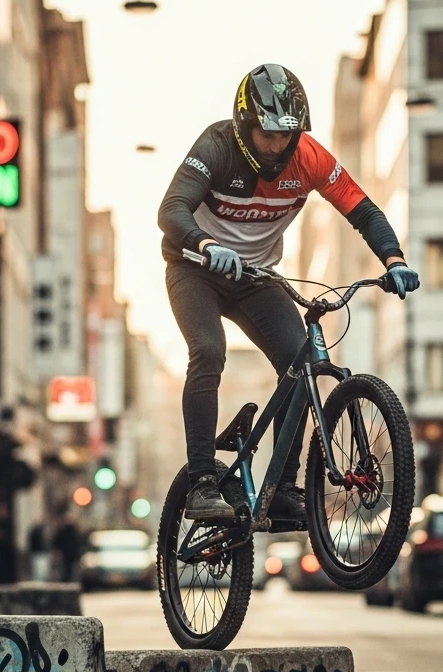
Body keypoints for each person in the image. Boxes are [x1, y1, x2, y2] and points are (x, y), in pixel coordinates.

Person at [158, 63, 420, 523]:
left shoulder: (310, 158)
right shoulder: (216, 147)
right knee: (208, 351)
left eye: (287, 135)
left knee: (300, 364)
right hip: (195, 268)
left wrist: (393, 259)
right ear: (245, 127)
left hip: (256, 279)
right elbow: (172, 209)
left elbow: (363, 210)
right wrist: (206, 243)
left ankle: (283, 488)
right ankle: (201, 481)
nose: (278, 145)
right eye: (267, 135)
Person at [53, 516, 83, 582]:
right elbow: (57, 543)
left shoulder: (74, 532)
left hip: (73, 556)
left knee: (73, 573)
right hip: (65, 556)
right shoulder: (62, 531)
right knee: (65, 572)